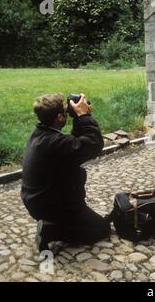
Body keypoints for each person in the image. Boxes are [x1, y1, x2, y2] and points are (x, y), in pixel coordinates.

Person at [21, 93, 110, 252]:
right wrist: (84, 115)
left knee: (95, 222)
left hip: (39, 201)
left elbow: (72, 146)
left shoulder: (42, 134)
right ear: (60, 118)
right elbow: (93, 144)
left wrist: (77, 118)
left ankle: (55, 224)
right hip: (52, 206)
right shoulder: (55, 143)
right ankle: (51, 231)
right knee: (101, 229)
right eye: (64, 112)